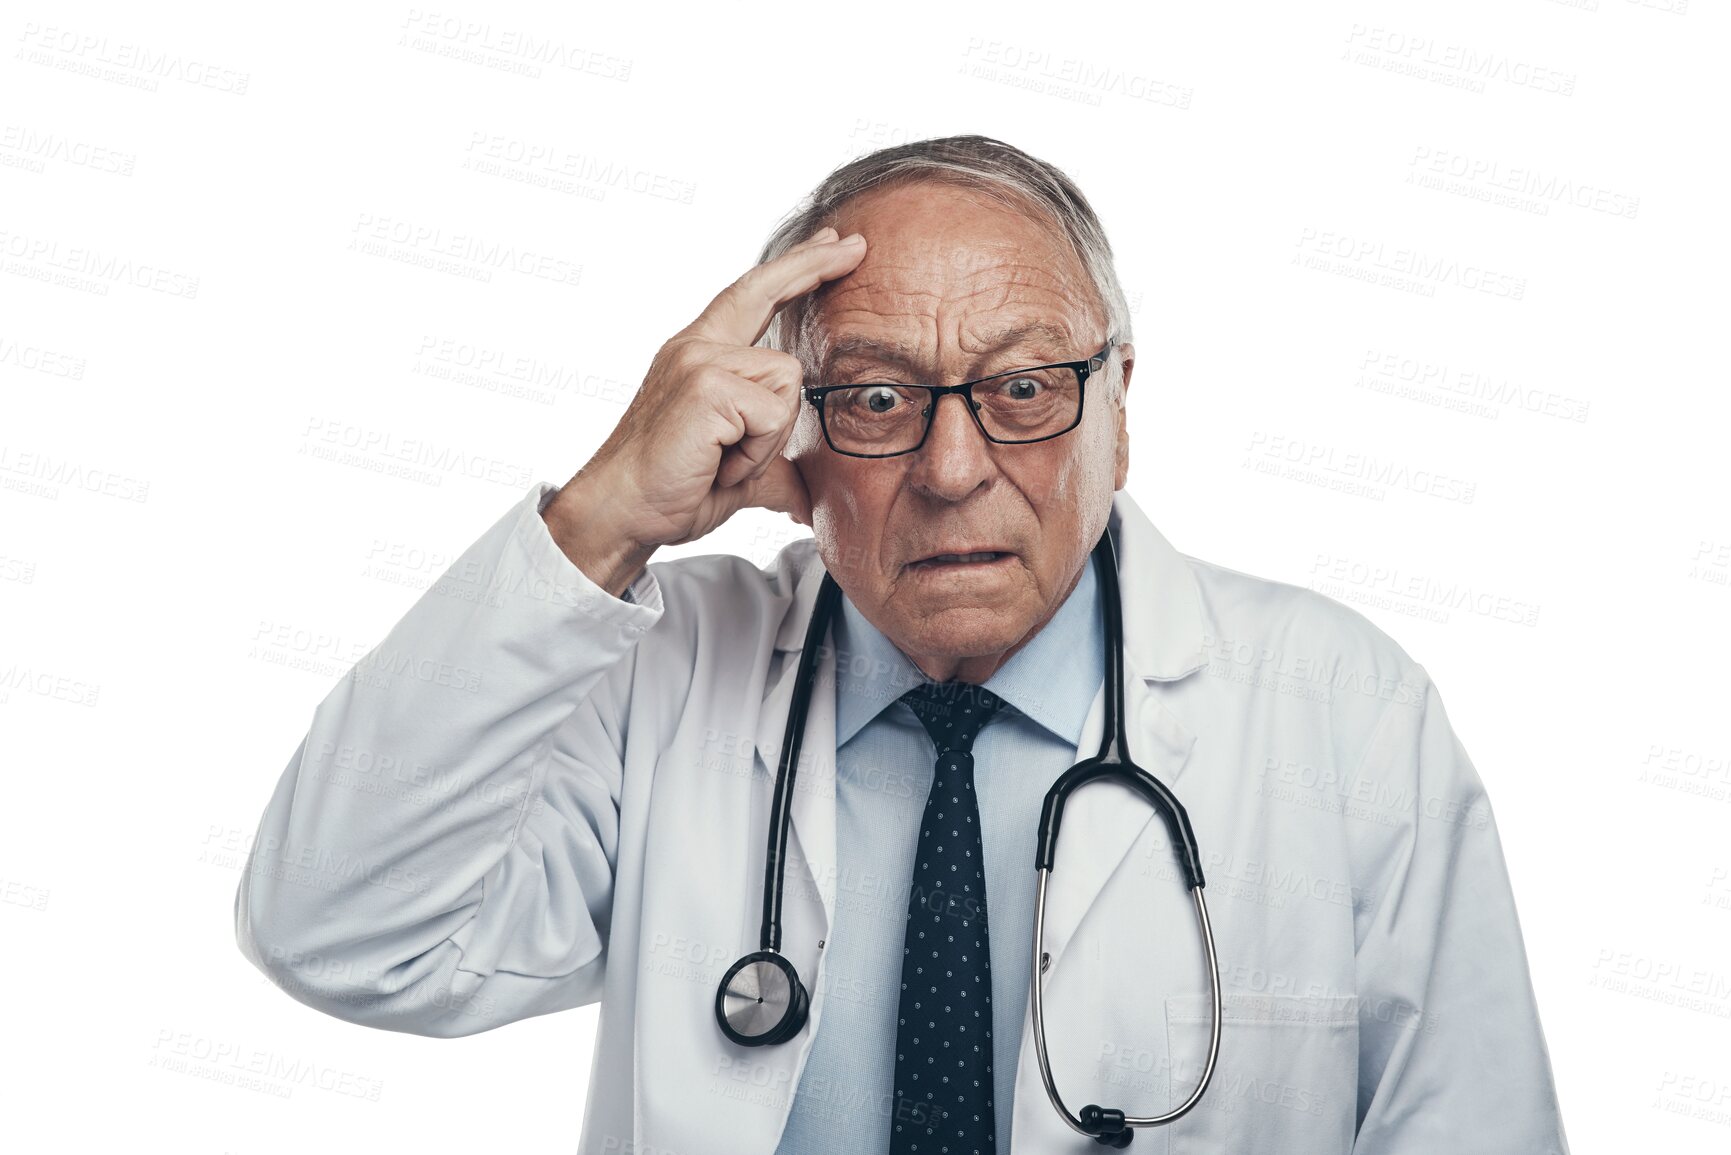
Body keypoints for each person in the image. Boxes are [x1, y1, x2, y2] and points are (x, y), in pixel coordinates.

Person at [233, 135, 1569, 1154]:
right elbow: (341, 932)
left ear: (1120, 412)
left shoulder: (1337, 708)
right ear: (788, 430)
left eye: (1024, 390)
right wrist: (601, 520)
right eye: (874, 397)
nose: (951, 467)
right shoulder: (655, 676)